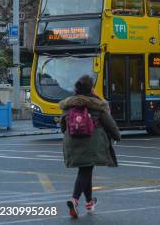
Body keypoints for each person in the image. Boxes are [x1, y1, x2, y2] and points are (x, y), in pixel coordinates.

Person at [59, 75, 121, 218]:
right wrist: (117, 136)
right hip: (92, 143)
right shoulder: (97, 105)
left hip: (72, 142)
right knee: (86, 170)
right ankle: (74, 199)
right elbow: (110, 124)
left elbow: (63, 127)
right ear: (91, 88)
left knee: (86, 169)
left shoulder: (68, 105)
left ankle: (89, 202)